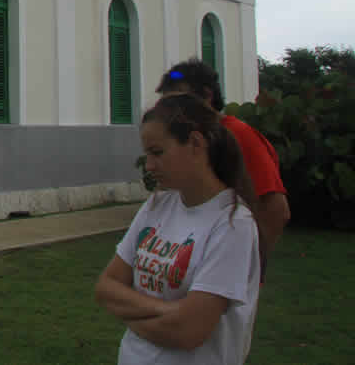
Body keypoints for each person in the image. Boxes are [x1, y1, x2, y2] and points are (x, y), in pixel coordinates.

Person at [95, 93, 261, 364]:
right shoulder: (158, 205)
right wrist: (169, 310)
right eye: (147, 154)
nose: (149, 165)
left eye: (157, 152)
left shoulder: (232, 224)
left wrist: (128, 312)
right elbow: (106, 287)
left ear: (195, 143)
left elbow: (188, 332)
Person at [156, 58, 290, 278]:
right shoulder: (192, 140)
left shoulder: (239, 136)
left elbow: (276, 210)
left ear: (207, 96)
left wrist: (249, 269)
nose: (173, 111)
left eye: (180, 100)